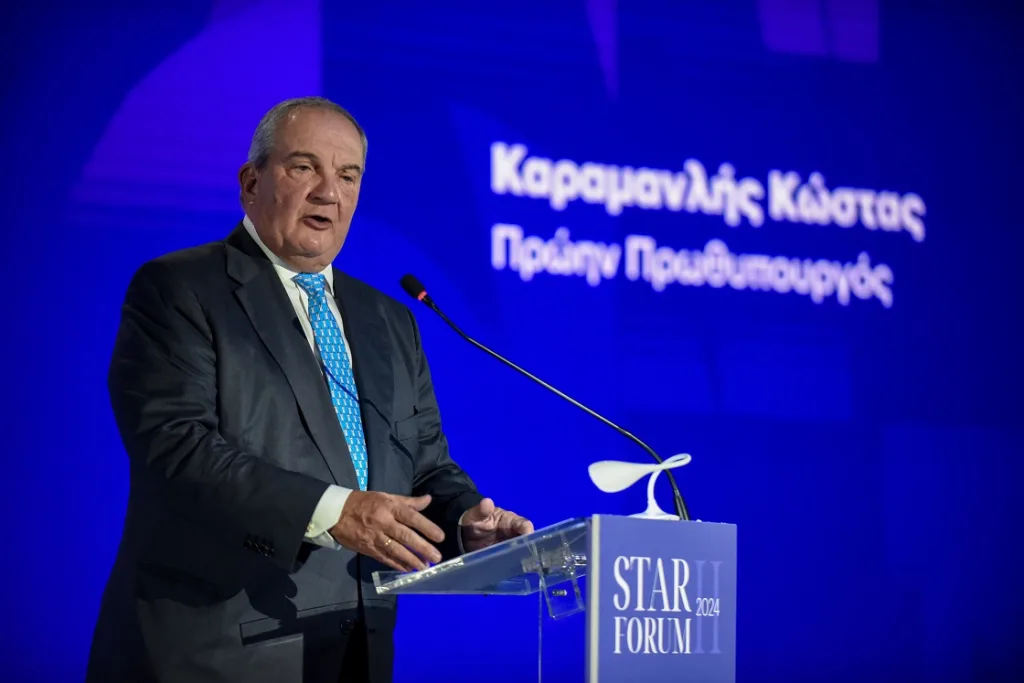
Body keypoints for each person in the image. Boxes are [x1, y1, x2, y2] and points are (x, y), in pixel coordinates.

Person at [85, 96, 534, 683]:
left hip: (353, 652)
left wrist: (463, 523)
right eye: (304, 167)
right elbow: (177, 448)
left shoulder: (389, 320)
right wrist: (335, 511)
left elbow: (423, 464)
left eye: (348, 175)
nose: (328, 192)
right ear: (251, 183)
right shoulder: (180, 289)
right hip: (213, 654)